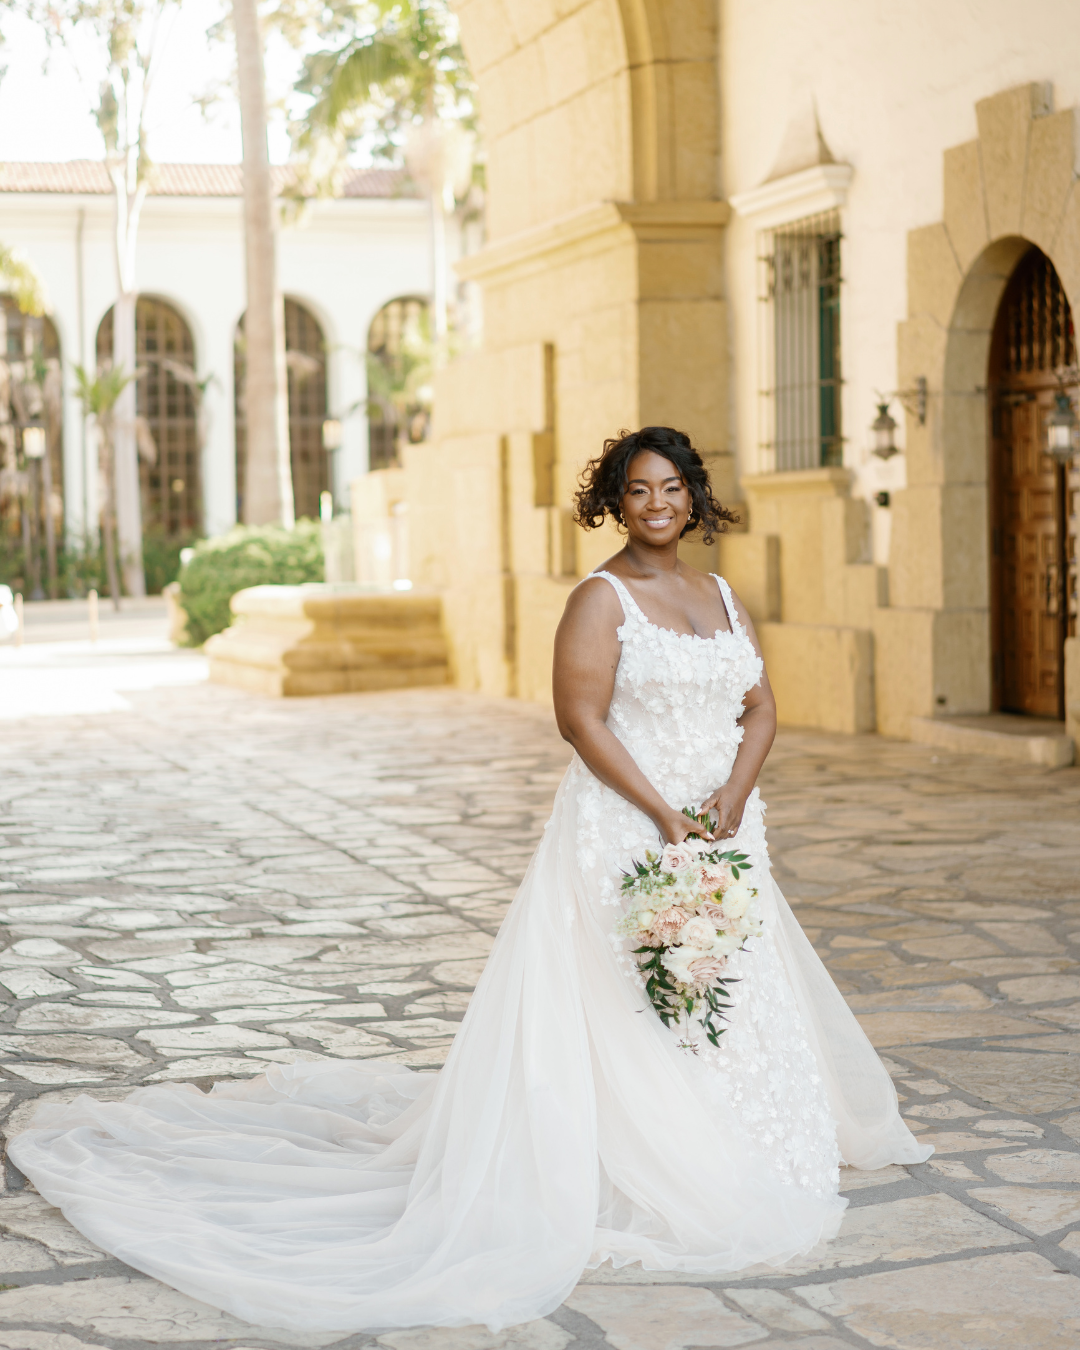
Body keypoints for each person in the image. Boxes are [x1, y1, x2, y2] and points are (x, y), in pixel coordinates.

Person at [9, 426, 930, 1334]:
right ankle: (645, 1161)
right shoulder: (601, 599)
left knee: (726, 972)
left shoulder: (721, 594)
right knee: (634, 991)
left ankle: (741, 1136)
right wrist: (662, 813)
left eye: (672, 488)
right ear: (615, 503)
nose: (657, 504)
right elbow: (580, 720)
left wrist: (732, 794)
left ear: (694, 497)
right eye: (638, 490)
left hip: (724, 825)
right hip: (630, 826)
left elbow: (760, 705)